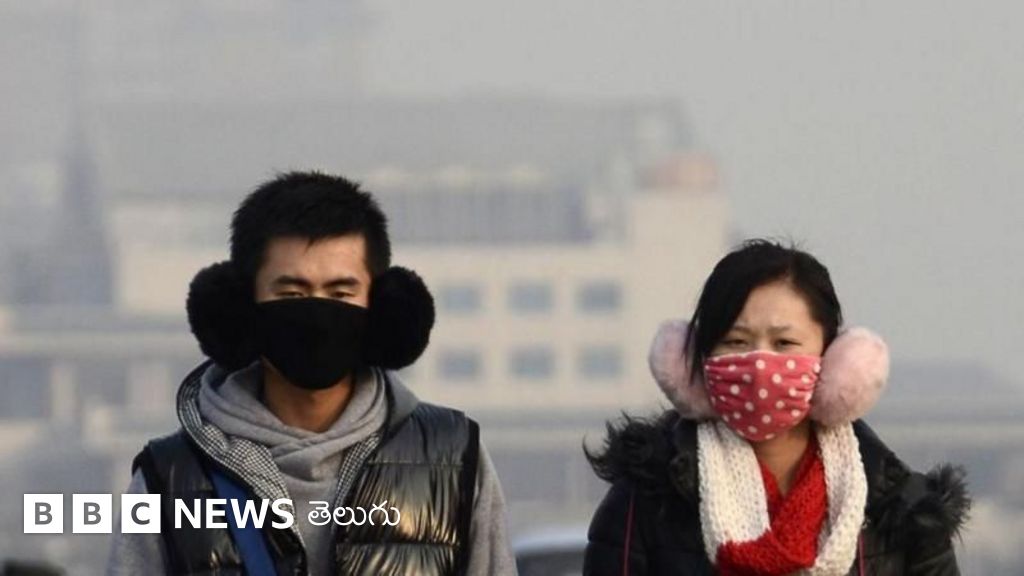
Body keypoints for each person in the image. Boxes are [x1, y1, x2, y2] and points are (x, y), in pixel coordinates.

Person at [108, 171, 517, 575]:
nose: (317, 315)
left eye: (341, 293)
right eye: (292, 293)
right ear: (239, 308)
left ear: (383, 310)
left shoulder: (455, 460)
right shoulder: (168, 478)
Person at [583, 239, 969, 575]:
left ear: (836, 360)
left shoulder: (902, 511)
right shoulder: (646, 502)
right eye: (736, 342)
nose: (759, 365)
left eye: (784, 344)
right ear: (696, 363)